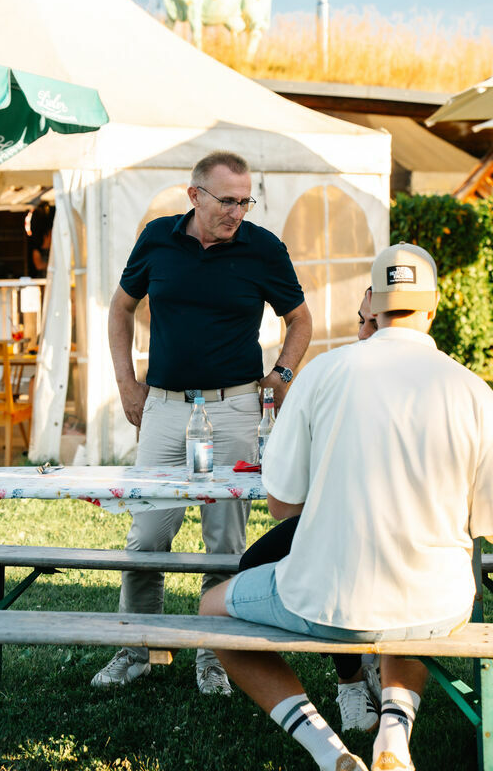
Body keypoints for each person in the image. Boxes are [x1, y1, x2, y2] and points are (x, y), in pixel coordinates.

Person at [201, 242, 493, 771]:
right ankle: (394, 734)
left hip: (326, 599)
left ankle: (328, 750)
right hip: (438, 602)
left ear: (372, 306)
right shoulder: (474, 392)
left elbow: (282, 505)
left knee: (212, 610)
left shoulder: (322, 373)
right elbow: (487, 522)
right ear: (433, 306)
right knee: (411, 607)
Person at [92, 150, 312, 695]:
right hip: (164, 408)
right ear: (195, 195)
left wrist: (281, 377)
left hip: (234, 408)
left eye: (244, 201)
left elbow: (300, 320)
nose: (236, 212)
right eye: (226, 201)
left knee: (224, 542)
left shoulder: (263, 248)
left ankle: (214, 655)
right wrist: (127, 383)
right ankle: (138, 648)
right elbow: (120, 309)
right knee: (147, 536)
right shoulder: (157, 238)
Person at [238, 287, 381, 734]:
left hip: (387, 528)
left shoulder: (404, 384)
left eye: (373, 323)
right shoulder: (340, 377)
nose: (362, 334)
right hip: (343, 521)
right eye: (360, 321)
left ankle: (355, 680)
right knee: (256, 563)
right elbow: (285, 501)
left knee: (331, 563)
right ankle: (356, 674)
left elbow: (283, 502)